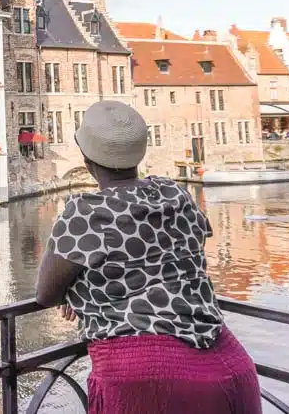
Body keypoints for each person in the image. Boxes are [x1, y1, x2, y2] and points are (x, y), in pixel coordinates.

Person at [35, 101, 260, 414]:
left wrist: (79, 290)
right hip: (228, 364)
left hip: (150, 381)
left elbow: (45, 294)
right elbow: (169, 258)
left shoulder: (87, 213)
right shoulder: (176, 194)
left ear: (87, 158)